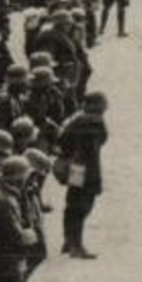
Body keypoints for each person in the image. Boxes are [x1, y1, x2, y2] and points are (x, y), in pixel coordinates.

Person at [56, 90, 109, 259]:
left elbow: (63, 140)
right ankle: (75, 245)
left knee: (73, 204)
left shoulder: (78, 119)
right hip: (87, 170)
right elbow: (93, 150)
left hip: (76, 169)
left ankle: (69, 240)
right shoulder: (94, 122)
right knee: (82, 206)